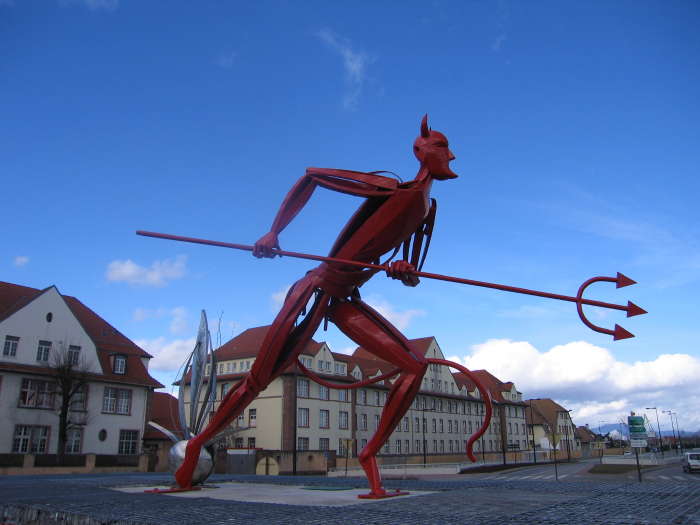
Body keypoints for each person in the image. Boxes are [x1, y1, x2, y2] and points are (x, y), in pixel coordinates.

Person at [176, 115, 459, 497]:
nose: (451, 155)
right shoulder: (392, 188)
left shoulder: (427, 208)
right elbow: (311, 177)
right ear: (421, 150)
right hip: (316, 289)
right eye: (443, 147)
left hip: (345, 299)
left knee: (415, 365)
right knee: (258, 379)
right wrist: (274, 231)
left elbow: (411, 276)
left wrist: (403, 270)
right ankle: (197, 445)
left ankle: (369, 454)